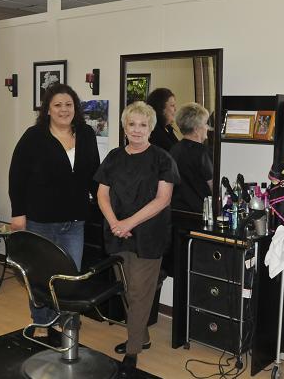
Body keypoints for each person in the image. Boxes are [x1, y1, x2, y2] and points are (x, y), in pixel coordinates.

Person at [94, 101, 180, 372]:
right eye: (132, 124)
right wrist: (115, 223)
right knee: (128, 290)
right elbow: (102, 194)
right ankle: (141, 336)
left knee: (141, 293)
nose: (137, 129)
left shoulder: (162, 159)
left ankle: (132, 351)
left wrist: (128, 222)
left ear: (151, 128)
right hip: (118, 233)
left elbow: (163, 199)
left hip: (148, 235)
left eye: (143, 124)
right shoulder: (114, 157)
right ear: (124, 126)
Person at [8, 83, 100, 338]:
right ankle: (43, 320)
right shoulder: (33, 136)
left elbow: (95, 174)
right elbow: (17, 177)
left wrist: (107, 204)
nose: (63, 110)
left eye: (68, 105)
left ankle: (67, 321)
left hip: (75, 221)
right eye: (57, 105)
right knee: (40, 275)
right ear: (47, 109)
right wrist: (18, 214)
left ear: (75, 108)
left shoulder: (86, 134)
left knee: (70, 277)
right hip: (40, 220)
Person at [170, 102, 213, 213]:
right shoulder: (202, 152)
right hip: (199, 213)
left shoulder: (174, 149)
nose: (207, 127)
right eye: (205, 124)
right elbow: (213, 185)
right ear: (196, 129)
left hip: (177, 211)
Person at [146, 88, 179, 152]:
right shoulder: (154, 132)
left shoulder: (168, 128)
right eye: (172, 105)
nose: (175, 109)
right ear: (161, 109)